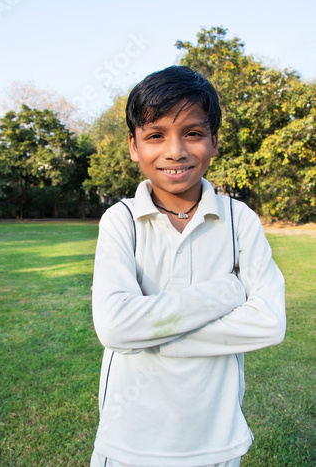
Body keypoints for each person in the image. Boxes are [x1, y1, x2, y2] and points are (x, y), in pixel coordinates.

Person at [90, 65, 286, 467]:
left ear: (214, 142)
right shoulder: (121, 220)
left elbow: (269, 321)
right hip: (129, 441)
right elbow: (114, 326)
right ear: (133, 145)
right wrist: (228, 292)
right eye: (155, 135)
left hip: (216, 439)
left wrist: (146, 335)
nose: (175, 150)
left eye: (193, 133)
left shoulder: (239, 220)